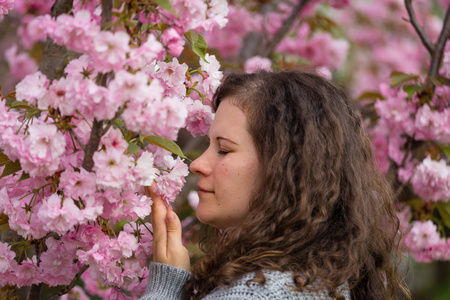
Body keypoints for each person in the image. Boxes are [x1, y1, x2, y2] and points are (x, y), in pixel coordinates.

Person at [140, 70, 407, 300]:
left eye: (223, 149)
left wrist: (167, 287)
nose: (197, 164)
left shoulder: (255, 293)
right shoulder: (317, 282)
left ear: (282, 167)